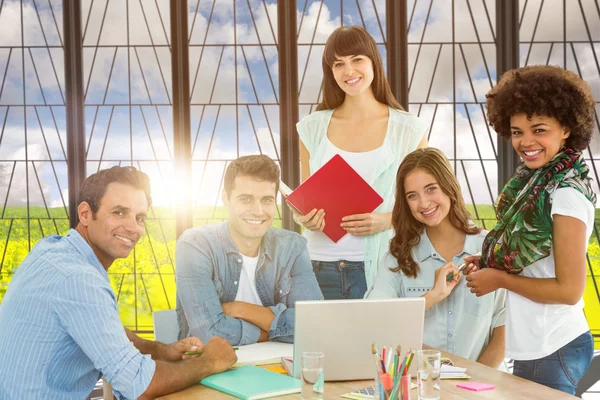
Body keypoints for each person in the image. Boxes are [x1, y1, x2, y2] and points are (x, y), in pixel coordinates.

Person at [0, 166, 237, 400]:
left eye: (140, 217)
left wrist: (162, 350)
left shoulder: (52, 249)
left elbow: (101, 327)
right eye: (119, 212)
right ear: (84, 214)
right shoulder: (78, 278)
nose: (133, 227)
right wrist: (210, 361)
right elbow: (140, 386)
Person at [465, 65, 596, 394]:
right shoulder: (536, 183)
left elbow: (569, 291)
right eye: (517, 131)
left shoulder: (565, 193)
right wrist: (488, 263)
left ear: (565, 127)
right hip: (536, 345)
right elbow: (535, 264)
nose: (526, 142)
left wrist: (500, 279)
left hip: (553, 346)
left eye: (539, 129)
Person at [291, 26, 428, 300]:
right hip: (318, 265)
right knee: (320, 344)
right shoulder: (311, 128)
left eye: (357, 59)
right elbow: (305, 200)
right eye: (338, 64)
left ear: (373, 62)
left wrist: (386, 220)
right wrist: (302, 217)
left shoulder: (408, 130)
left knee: (380, 344)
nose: (348, 71)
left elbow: (425, 205)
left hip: (382, 267)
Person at [367, 148, 505, 367]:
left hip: (479, 389)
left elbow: (503, 332)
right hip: (417, 386)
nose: (423, 203)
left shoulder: (490, 248)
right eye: (412, 196)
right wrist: (432, 296)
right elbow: (376, 322)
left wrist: (472, 387)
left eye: (431, 189)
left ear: (448, 186)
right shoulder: (398, 258)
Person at [176, 155, 323, 346]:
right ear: (226, 199)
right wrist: (268, 331)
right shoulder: (195, 245)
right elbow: (209, 334)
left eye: (267, 200)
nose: (258, 211)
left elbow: (314, 325)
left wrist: (240, 309)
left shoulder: (293, 247)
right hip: (210, 369)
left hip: (277, 366)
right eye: (246, 199)